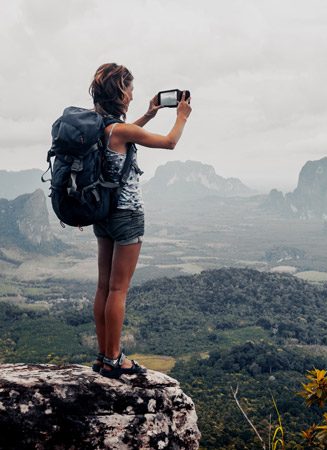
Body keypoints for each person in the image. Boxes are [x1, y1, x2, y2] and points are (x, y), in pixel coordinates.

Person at [88, 63, 192, 379]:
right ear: (121, 91)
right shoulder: (120, 130)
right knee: (119, 290)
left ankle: (104, 356)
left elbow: (123, 134)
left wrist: (148, 113)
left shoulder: (98, 126)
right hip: (127, 215)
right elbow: (170, 142)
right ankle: (115, 359)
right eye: (130, 89)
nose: (133, 94)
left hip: (102, 215)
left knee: (104, 286)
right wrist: (181, 116)